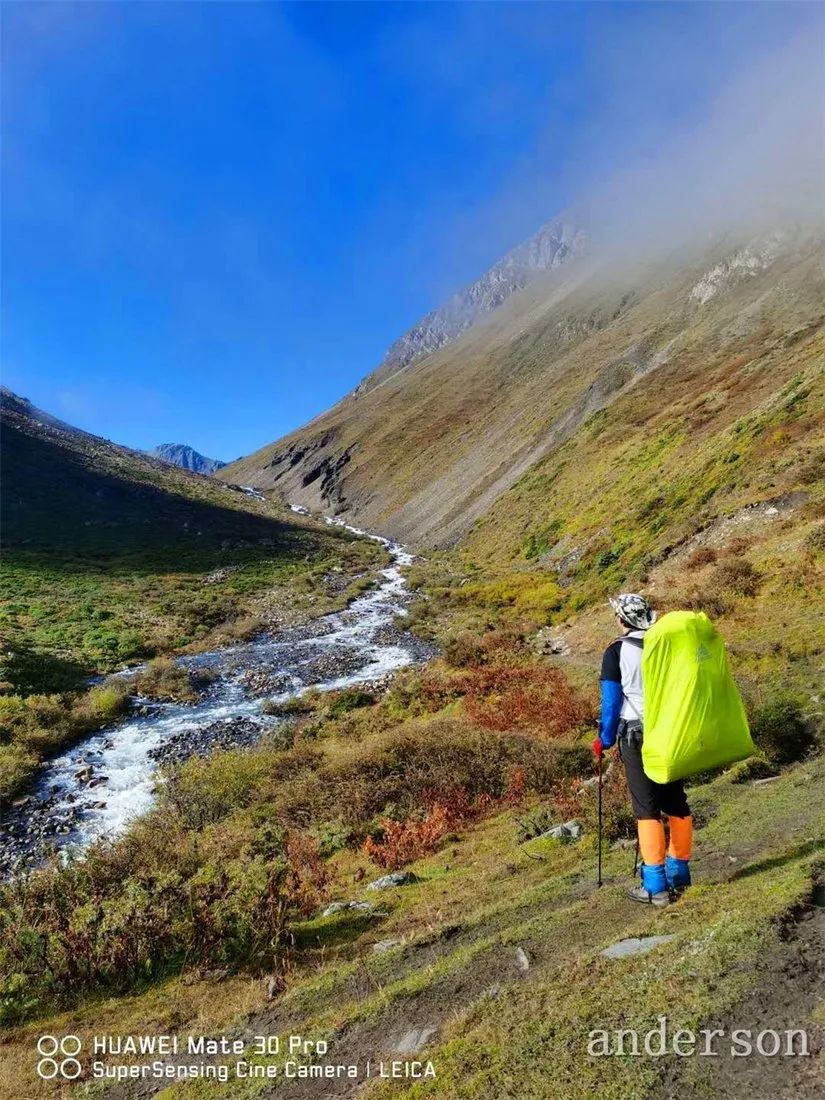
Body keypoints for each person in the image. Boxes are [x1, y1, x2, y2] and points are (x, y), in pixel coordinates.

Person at [592, 593, 693, 907]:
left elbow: (610, 704)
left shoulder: (615, 651)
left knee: (646, 808)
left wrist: (604, 740)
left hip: (636, 736)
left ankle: (654, 886)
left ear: (622, 620)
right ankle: (680, 875)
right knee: (676, 800)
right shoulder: (666, 643)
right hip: (671, 731)